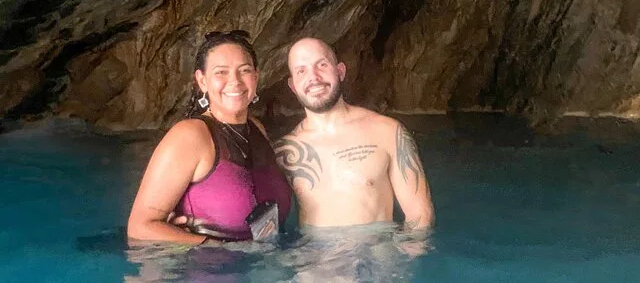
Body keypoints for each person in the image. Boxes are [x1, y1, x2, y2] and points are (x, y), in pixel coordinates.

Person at [127, 30, 292, 244]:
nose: (235, 81)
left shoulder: (257, 129)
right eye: (221, 72)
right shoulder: (190, 136)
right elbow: (140, 227)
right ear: (202, 81)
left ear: (256, 77)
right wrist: (208, 246)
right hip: (209, 262)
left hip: (269, 258)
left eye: (244, 70)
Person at [273, 37, 434, 231]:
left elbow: (420, 215)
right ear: (292, 86)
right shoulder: (283, 151)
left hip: (378, 248)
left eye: (322, 65)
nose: (313, 77)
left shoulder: (388, 131)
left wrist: (409, 248)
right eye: (301, 71)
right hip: (313, 250)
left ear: (340, 71)